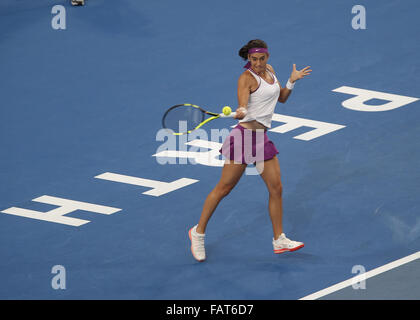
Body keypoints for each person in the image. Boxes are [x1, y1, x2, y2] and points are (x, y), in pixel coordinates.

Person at [188, 39, 312, 262]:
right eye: (253, 59)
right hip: (244, 138)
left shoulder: (271, 72)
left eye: (261, 59)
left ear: (268, 57)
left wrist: (291, 82)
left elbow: (281, 98)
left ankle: (279, 240)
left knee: (277, 188)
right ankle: (197, 233)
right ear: (248, 59)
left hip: (261, 139)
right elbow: (243, 103)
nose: (257, 63)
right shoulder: (246, 78)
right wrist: (242, 110)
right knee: (224, 188)